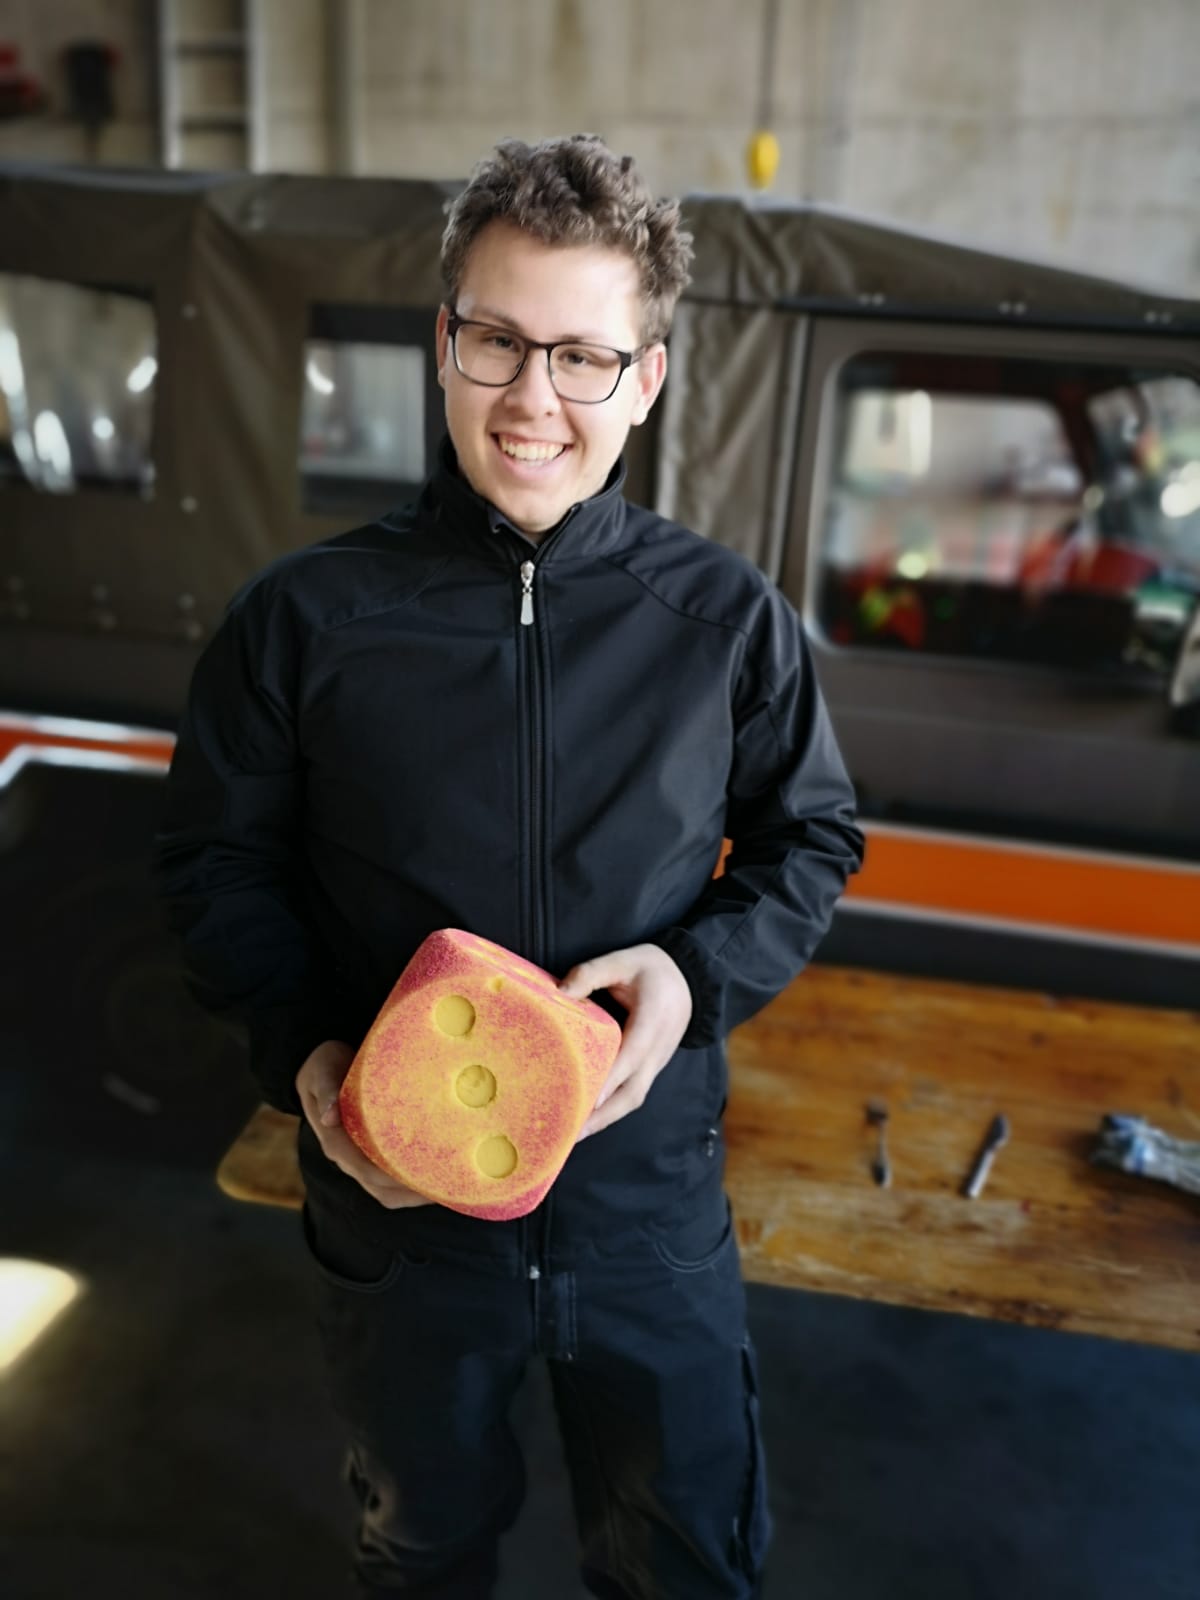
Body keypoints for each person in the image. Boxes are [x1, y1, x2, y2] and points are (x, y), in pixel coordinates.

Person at [155, 133, 864, 1600]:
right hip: (399, 1213)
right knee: (422, 1552)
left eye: (583, 357)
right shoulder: (303, 621)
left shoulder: (724, 621)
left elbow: (811, 836)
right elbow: (216, 863)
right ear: (444, 344)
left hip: (645, 1207)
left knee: (685, 1565)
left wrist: (694, 976)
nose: (533, 398)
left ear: (644, 380)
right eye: (497, 341)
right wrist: (307, 1053)